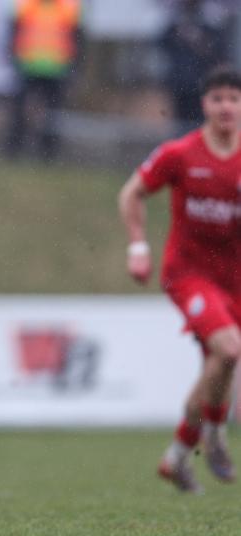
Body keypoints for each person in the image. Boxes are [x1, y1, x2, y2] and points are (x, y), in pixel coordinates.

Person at [117, 66, 241, 494]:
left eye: (234, 98)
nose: (226, 106)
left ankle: (176, 458)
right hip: (189, 275)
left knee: (218, 365)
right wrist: (138, 246)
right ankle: (216, 437)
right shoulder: (181, 153)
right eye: (218, 98)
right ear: (205, 105)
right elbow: (132, 192)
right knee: (229, 350)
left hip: (235, 281)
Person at [6, 0, 82, 161]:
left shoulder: (68, 6)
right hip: (29, 65)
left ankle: (47, 151)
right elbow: (14, 30)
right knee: (20, 110)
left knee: (52, 114)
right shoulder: (27, 4)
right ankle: (15, 147)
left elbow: (77, 36)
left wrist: (74, 65)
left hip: (56, 68)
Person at [160, 0, 227, 132]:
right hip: (180, 85)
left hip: (201, 84)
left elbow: (218, 52)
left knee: (200, 121)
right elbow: (163, 44)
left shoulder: (210, 24)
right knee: (180, 123)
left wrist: (199, 40)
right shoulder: (175, 25)